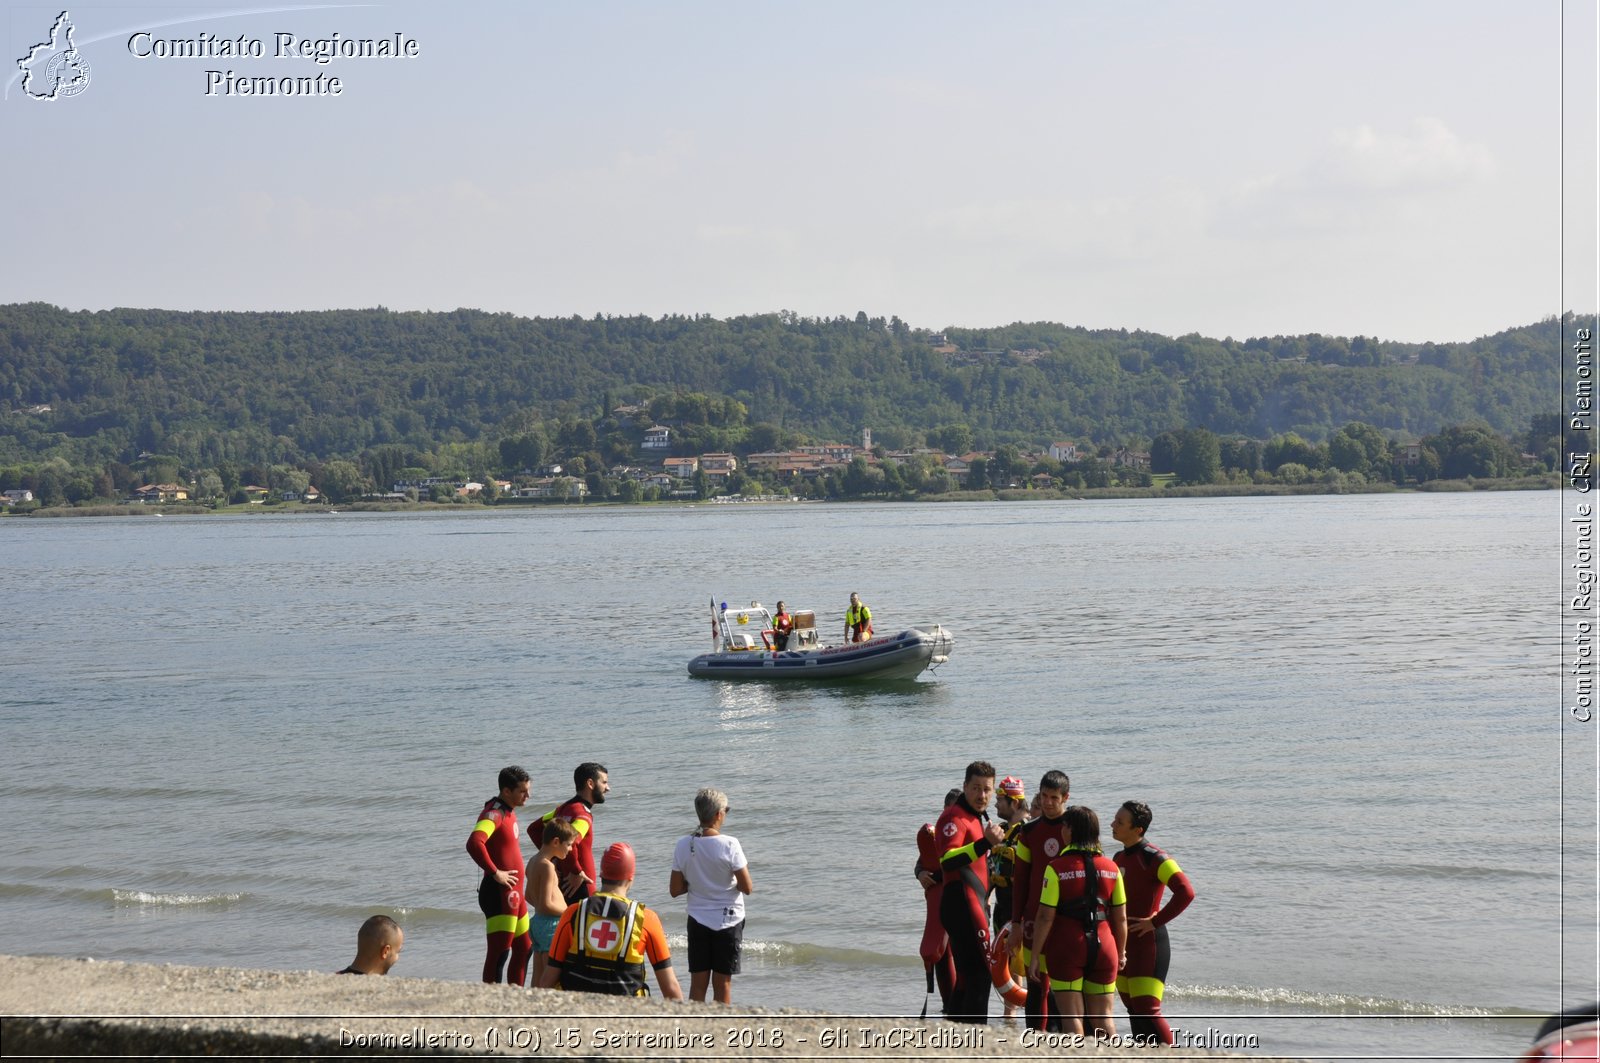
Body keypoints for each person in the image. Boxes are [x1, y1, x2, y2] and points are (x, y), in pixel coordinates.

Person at [1027, 805, 1127, 1041]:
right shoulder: (1112, 869)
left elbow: (1044, 916)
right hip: (1106, 947)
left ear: (1070, 831)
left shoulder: (1056, 869)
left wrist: (1034, 956)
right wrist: (1121, 952)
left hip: (1067, 946)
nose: (1062, 830)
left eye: (1064, 826)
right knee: (1103, 1017)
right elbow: (1120, 916)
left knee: (1071, 1016)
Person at [537, 841, 683, 1000]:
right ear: (631, 877)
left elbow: (549, 977)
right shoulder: (647, 919)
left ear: (601, 875)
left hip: (576, 1005)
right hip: (626, 1008)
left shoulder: (572, 912)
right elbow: (670, 986)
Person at [1111, 800, 1196, 1047]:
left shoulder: (1155, 858)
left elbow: (1186, 892)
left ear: (1138, 829)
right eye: (1115, 819)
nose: (1112, 824)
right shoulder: (1117, 857)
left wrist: (1155, 921)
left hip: (1149, 945)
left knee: (1148, 1008)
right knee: (1132, 1008)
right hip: (1125, 945)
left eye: (1119, 822)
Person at [935, 760, 1006, 1024]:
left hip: (971, 904)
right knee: (980, 974)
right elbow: (948, 859)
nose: (982, 795)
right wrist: (985, 843)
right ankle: (976, 1037)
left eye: (987, 789)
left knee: (967, 976)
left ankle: (955, 1032)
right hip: (961, 905)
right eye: (976, 788)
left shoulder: (977, 817)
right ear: (965, 786)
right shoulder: (954, 817)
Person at [669, 788, 754, 1004]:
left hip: (698, 919)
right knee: (722, 983)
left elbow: (675, 889)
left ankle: (694, 1028)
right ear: (718, 814)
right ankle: (720, 1028)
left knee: (698, 983)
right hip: (729, 918)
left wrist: (697, 882)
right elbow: (747, 887)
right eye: (726, 810)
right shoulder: (729, 844)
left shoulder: (683, 844)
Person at [1006, 769, 1071, 1032]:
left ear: (1066, 797)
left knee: (1065, 985)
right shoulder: (1029, 831)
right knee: (1036, 984)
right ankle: (1035, 1040)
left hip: (1067, 919)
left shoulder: (1075, 827)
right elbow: (1020, 880)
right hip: (1034, 916)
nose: (1047, 802)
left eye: (1054, 797)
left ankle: (1064, 1039)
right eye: (1044, 796)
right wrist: (1016, 923)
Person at [466, 765, 532, 984]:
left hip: (514, 894)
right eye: (522, 791)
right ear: (506, 791)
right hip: (499, 894)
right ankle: (490, 1002)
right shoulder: (494, 813)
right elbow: (475, 843)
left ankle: (515, 997)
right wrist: (496, 873)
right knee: (499, 954)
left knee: (525, 948)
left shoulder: (508, 811)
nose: (528, 795)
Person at [530, 762, 610, 903]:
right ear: (590, 783)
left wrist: (552, 857)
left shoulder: (562, 809)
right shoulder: (583, 815)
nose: (607, 788)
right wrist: (577, 871)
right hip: (580, 885)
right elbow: (572, 842)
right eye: (604, 782)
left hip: (563, 885)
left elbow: (534, 829)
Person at [915, 788, 962, 1016]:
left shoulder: (966, 833)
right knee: (941, 955)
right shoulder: (936, 836)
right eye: (949, 811)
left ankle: (959, 1005)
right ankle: (948, 1006)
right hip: (939, 905)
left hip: (964, 903)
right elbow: (924, 861)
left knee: (958, 955)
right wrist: (920, 874)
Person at [988, 775, 1030, 1019]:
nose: (995, 805)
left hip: (1019, 908)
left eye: (1000, 800)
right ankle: (1009, 1016)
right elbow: (994, 869)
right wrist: (987, 895)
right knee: (1003, 959)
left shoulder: (1028, 831)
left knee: (1020, 963)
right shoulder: (1001, 831)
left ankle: (1021, 1015)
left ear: (1014, 803)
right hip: (1002, 906)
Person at [525, 817, 578, 988]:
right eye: (569, 845)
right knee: (552, 977)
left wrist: (542, 909)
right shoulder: (547, 866)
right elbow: (546, 904)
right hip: (551, 926)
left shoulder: (533, 861)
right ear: (556, 842)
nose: (570, 849)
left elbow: (528, 896)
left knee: (538, 975)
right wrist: (569, 912)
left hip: (538, 924)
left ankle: (532, 1007)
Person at [337, 914, 403, 975]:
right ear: (385, 951)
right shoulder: (379, 986)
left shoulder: (336, 976)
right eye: (398, 952)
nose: (398, 957)